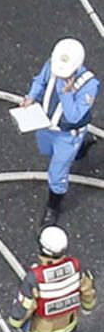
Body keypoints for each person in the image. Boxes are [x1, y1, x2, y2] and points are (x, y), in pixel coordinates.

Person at [13, 224, 96, 332]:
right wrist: (87, 309)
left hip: (42, 331)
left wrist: (15, 322)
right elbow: (87, 290)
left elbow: (25, 305)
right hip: (68, 324)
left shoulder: (34, 277)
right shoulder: (75, 267)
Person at [26, 38, 98, 227]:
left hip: (67, 135)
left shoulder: (89, 85)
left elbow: (74, 116)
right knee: (45, 150)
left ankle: (53, 206)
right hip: (45, 124)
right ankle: (81, 147)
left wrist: (66, 94)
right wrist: (31, 97)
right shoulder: (52, 65)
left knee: (57, 173)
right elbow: (40, 81)